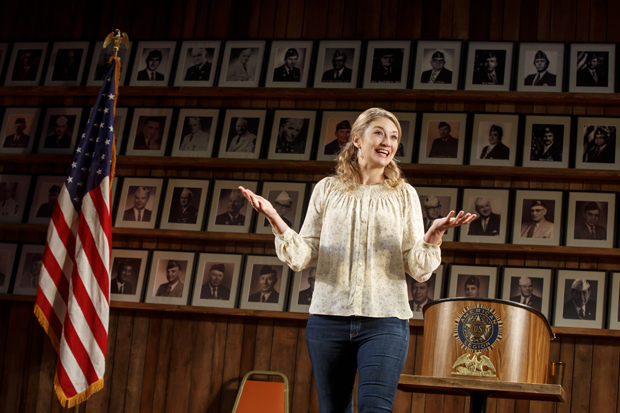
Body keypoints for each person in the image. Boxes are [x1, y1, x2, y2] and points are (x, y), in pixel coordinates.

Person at [238, 107, 474, 411]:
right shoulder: (327, 189)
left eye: (393, 137)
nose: (387, 141)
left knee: (375, 409)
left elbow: (417, 268)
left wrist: (432, 236)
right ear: (357, 139)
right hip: (327, 320)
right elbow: (304, 254)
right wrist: (275, 219)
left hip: (386, 322)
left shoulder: (404, 194)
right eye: (379, 132)